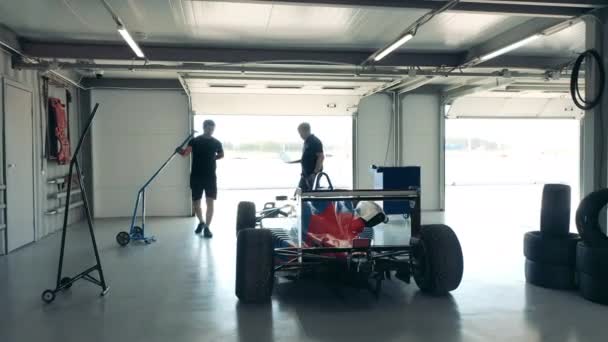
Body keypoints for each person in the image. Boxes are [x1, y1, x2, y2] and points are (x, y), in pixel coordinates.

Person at [178, 120, 224, 237]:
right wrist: (180, 151)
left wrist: (214, 158)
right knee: (196, 203)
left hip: (210, 177)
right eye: (209, 128)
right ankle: (201, 222)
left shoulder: (216, 143)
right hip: (196, 177)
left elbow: (221, 154)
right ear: (204, 128)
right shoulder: (194, 141)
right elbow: (185, 154)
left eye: (212, 129)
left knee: (210, 203)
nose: (210, 131)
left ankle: (207, 227)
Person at [287, 122, 325, 191]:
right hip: (305, 174)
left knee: (312, 194)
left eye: (300, 133)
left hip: (312, 174)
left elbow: (321, 157)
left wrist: (315, 173)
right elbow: (306, 159)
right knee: (299, 194)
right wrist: (292, 162)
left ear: (306, 131)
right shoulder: (307, 142)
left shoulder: (314, 141)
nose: (300, 135)